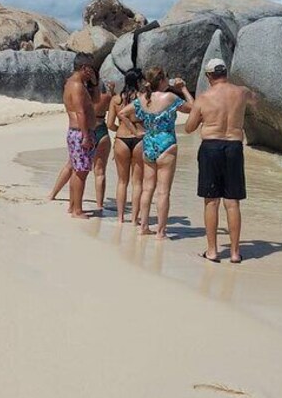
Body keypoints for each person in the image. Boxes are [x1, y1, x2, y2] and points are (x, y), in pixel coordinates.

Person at [185, 58, 257, 264]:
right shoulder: (241, 92)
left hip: (210, 148)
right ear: (226, 73)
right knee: (232, 203)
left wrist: (201, 118)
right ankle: (235, 253)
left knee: (211, 201)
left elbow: (189, 128)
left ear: (208, 77)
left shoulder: (204, 97)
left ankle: (213, 251)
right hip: (234, 147)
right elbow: (256, 100)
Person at [118, 67, 193, 238]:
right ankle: (160, 231)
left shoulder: (143, 99)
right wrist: (183, 89)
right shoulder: (170, 97)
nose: (169, 81)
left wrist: (136, 131)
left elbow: (122, 113)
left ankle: (143, 226)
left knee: (147, 188)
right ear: (161, 80)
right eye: (167, 78)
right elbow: (195, 108)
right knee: (163, 191)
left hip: (149, 143)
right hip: (166, 143)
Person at [48, 79, 113, 213]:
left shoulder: (82, 99)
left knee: (71, 166)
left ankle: (53, 194)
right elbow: (113, 116)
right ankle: (100, 205)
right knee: (100, 171)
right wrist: (111, 91)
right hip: (101, 130)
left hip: (85, 130)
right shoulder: (107, 97)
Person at [107, 68, 145, 224]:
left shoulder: (116, 100)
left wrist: (121, 129)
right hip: (140, 138)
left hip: (121, 139)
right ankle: (135, 219)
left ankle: (121, 218)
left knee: (122, 181)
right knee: (137, 182)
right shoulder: (143, 98)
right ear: (138, 81)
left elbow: (110, 124)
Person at [62, 53, 98, 219]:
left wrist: (94, 83)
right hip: (79, 133)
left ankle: (73, 205)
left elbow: (95, 101)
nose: (92, 72)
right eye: (91, 69)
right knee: (81, 173)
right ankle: (77, 210)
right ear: (84, 68)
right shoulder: (76, 85)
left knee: (78, 171)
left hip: (78, 132)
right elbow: (80, 112)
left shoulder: (74, 83)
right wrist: (85, 136)